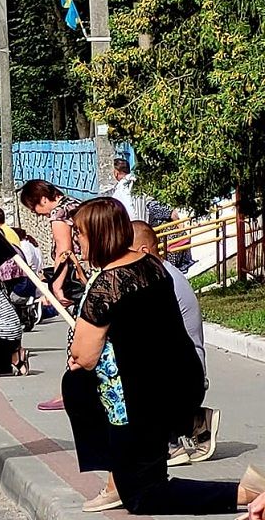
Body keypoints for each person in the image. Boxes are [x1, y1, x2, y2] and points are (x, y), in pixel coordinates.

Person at [61, 197, 263, 515]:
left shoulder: (107, 285)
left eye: (80, 233)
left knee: (144, 496)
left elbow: (84, 356)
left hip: (139, 401)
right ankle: (121, 475)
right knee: (141, 480)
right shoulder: (152, 266)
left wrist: (79, 355)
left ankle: (244, 493)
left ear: (99, 235)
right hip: (175, 384)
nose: (76, 240)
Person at [130, 220, 219, 466]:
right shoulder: (161, 274)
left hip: (183, 378)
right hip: (182, 375)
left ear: (144, 252)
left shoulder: (160, 280)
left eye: (125, 252)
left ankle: (170, 444)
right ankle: (190, 423)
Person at [20, 179, 84, 412]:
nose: (37, 214)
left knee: (77, 335)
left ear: (43, 199)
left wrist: (56, 286)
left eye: (35, 207)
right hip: (92, 272)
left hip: (78, 276)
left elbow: (63, 250)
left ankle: (73, 390)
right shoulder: (76, 204)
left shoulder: (59, 213)